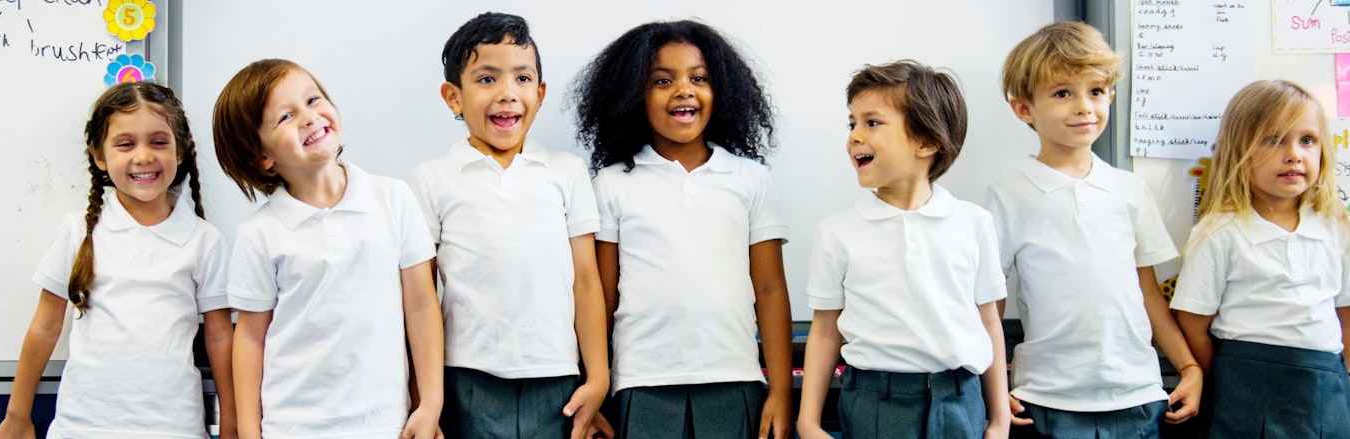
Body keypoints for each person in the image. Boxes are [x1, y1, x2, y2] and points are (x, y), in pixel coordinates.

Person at [569, 20, 792, 439]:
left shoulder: (750, 179)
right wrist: (595, 386)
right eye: (662, 80)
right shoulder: (612, 185)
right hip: (641, 385)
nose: (684, 89)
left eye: (699, 78)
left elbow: (771, 290)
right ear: (634, 94)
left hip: (735, 380)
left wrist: (781, 391)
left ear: (720, 90)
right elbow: (601, 297)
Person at [985, 21, 1203, 437]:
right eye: (1063, 93)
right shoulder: (1008, 195)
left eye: (1096, 91)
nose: (1085, 106)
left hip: (1137, 396)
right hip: (1046, 399)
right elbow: (989, 306)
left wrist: (1188, 367)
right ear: (1024, 108)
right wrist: (993, 386)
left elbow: (1148, 293)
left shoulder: (1129, 190)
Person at [213, 59, 444, 439]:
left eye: (313, 99)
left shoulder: (393, 198)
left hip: (384, 424)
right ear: (262, 157)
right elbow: (251, 338)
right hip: (291, 427)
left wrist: (430, 405)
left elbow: (420, 305)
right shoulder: (259, 233)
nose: (309, 117)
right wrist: (249, 432)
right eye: (286, 116)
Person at [0, 81, 235, 439]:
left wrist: (232, 421)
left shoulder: (204, 240)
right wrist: (17, 415)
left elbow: (219, 338)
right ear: (99, 155)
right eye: (125, 144)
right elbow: (45, 326)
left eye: (158, 142)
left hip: (173, 429)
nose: (143, 156)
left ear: (180, 151)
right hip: (81, 428)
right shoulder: (79, 231)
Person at [411, 12, 607, 439]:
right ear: (453, 97)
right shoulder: (433, 178)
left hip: (557, 374)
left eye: (521, 79)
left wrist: (598, 377)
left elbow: (587, 281)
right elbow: (420, 296)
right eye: (486, 79)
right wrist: (425, 397)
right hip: (466, 377)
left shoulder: (566, 172)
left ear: (539, 93)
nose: (507, 94)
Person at [797, 60, 1011, 439]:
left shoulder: (974, 223)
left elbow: (988, 320)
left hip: (959, 400)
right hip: (873, 403)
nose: (854, 137)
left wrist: (999, 419)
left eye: (872, 122)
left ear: (927, 142)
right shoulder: (837, 232)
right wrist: (809, 422)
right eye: (852, 124)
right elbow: (826, 330)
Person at [1171, 79, 1350, 438]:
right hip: (1243, 390)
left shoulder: (1336, 226)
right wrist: (1225, 379)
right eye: (1273, 140)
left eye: (1307, 140)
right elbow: (1192, 321)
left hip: (1323, 385)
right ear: (1238, 151)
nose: (1294, 154)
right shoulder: (1220, 231)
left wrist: (1333, 374)